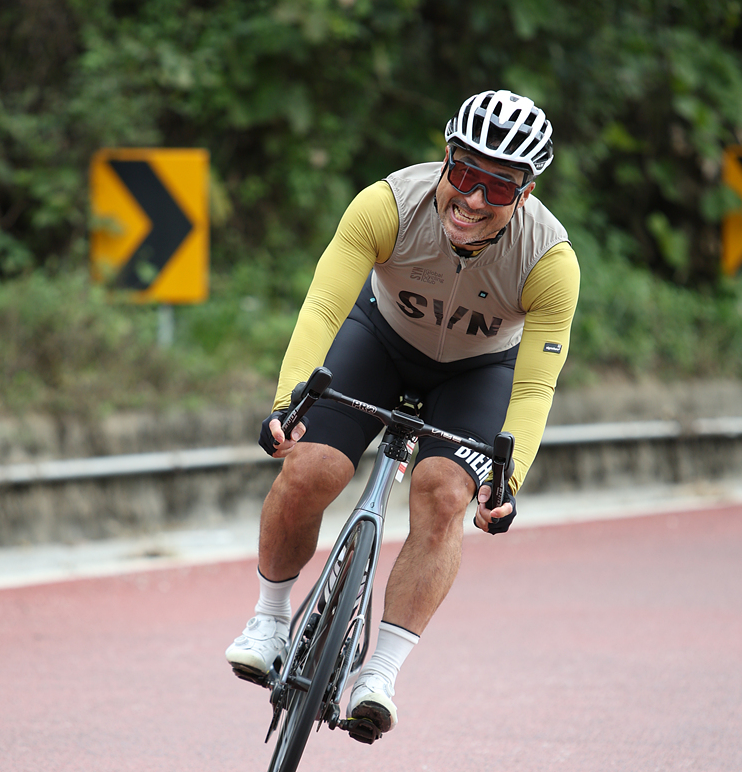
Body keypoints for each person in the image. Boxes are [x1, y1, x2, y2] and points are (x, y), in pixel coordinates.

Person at [225, 89, 580, 737]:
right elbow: (323, 310)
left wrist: (508, 480)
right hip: (379, 343)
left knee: (444, 494)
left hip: (477, 374)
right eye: (465, 174)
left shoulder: (549, 260)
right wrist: (288, 404)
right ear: (444, 159)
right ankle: (270, 619)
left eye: (500, 187)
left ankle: (380, 673)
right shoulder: (386, 205)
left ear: (526, 193)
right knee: (311, 468)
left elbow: (534, 389)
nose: (475, 199)